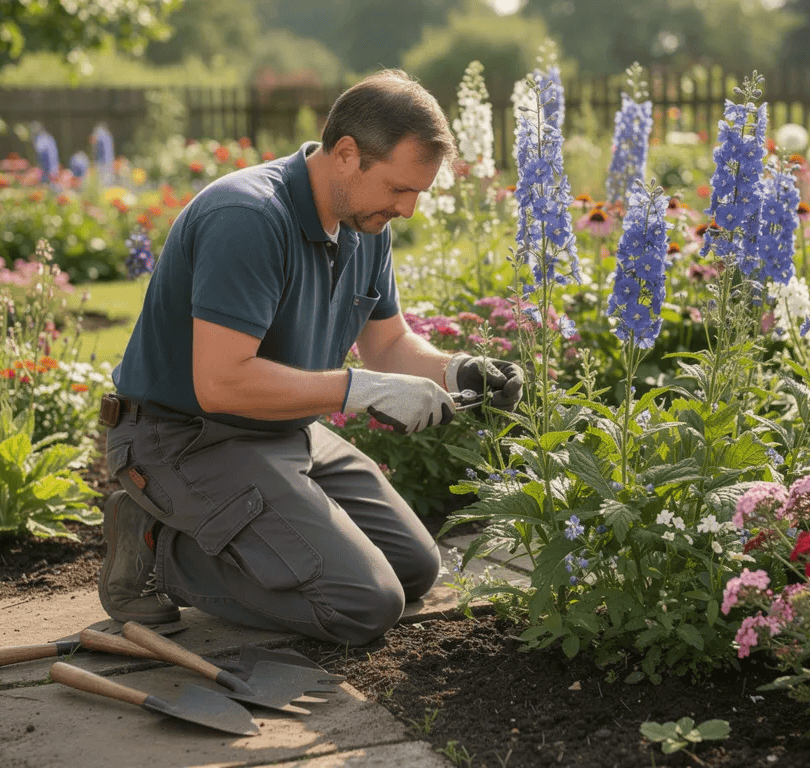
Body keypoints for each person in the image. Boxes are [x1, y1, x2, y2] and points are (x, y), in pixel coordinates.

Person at [98, 70, 524, 645]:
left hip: (279, 428)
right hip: (181, 436)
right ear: (347, 154)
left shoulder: (364, 223)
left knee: (415, 568)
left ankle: (231, 537)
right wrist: (360, 390)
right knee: (361, 605)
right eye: (400, 189)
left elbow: (388, 343)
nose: (409, 210)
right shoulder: (247, 217)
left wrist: (456, 369)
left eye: (418, 193)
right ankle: (160, 548)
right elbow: (221, 384)